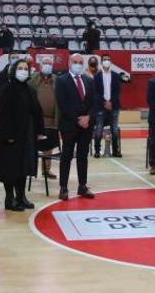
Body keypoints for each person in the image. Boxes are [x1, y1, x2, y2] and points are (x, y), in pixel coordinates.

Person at [0, 59, 43, 211]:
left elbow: (37, 112)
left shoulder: (30, 89)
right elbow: (4, 115)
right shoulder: (7, 89)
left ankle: (21, 197)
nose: (23, 71)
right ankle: (10, 198)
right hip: (11, 136)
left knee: (24, 166)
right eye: (20, 68)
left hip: (27, 134)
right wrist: (8, 135)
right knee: (11, 168)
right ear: (14, 70)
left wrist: (40, 131)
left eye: (25, 68)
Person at [55, 53, 98, 200]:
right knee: (66, 156)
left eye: (80, 62)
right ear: (69, 63)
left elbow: (94, 102)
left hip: (86, 126)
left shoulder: (89, 80)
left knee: (82, 156)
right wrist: (77, 119)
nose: (78, 64)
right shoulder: (61, 81)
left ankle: (82, 186)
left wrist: (88, 117)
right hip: (69, 125)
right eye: (75, 62)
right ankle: (63, 187)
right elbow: (62, 103)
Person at [29, 56, 58, 179]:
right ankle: (31, 170)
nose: (47, 65)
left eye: (50, 63)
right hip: (35, 120)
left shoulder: (57, 80)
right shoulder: (33, 79)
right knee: (32, 146)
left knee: (49, 147)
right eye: (45, 63)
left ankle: (46, 170)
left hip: (51, 120)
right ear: (40, 66)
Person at [93, 54, 122, 158]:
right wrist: (105, 103)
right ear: (101, 62)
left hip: (114, 106)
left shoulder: (115, 75)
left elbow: (117, 91)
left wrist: (111, 102)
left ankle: (115, 151)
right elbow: (96, 92)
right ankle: (97, 150)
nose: (107, 61)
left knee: (114, 130)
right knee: (99, 129)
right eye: (105, 59)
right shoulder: (97, 76)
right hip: (100, 106)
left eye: (108, 59)